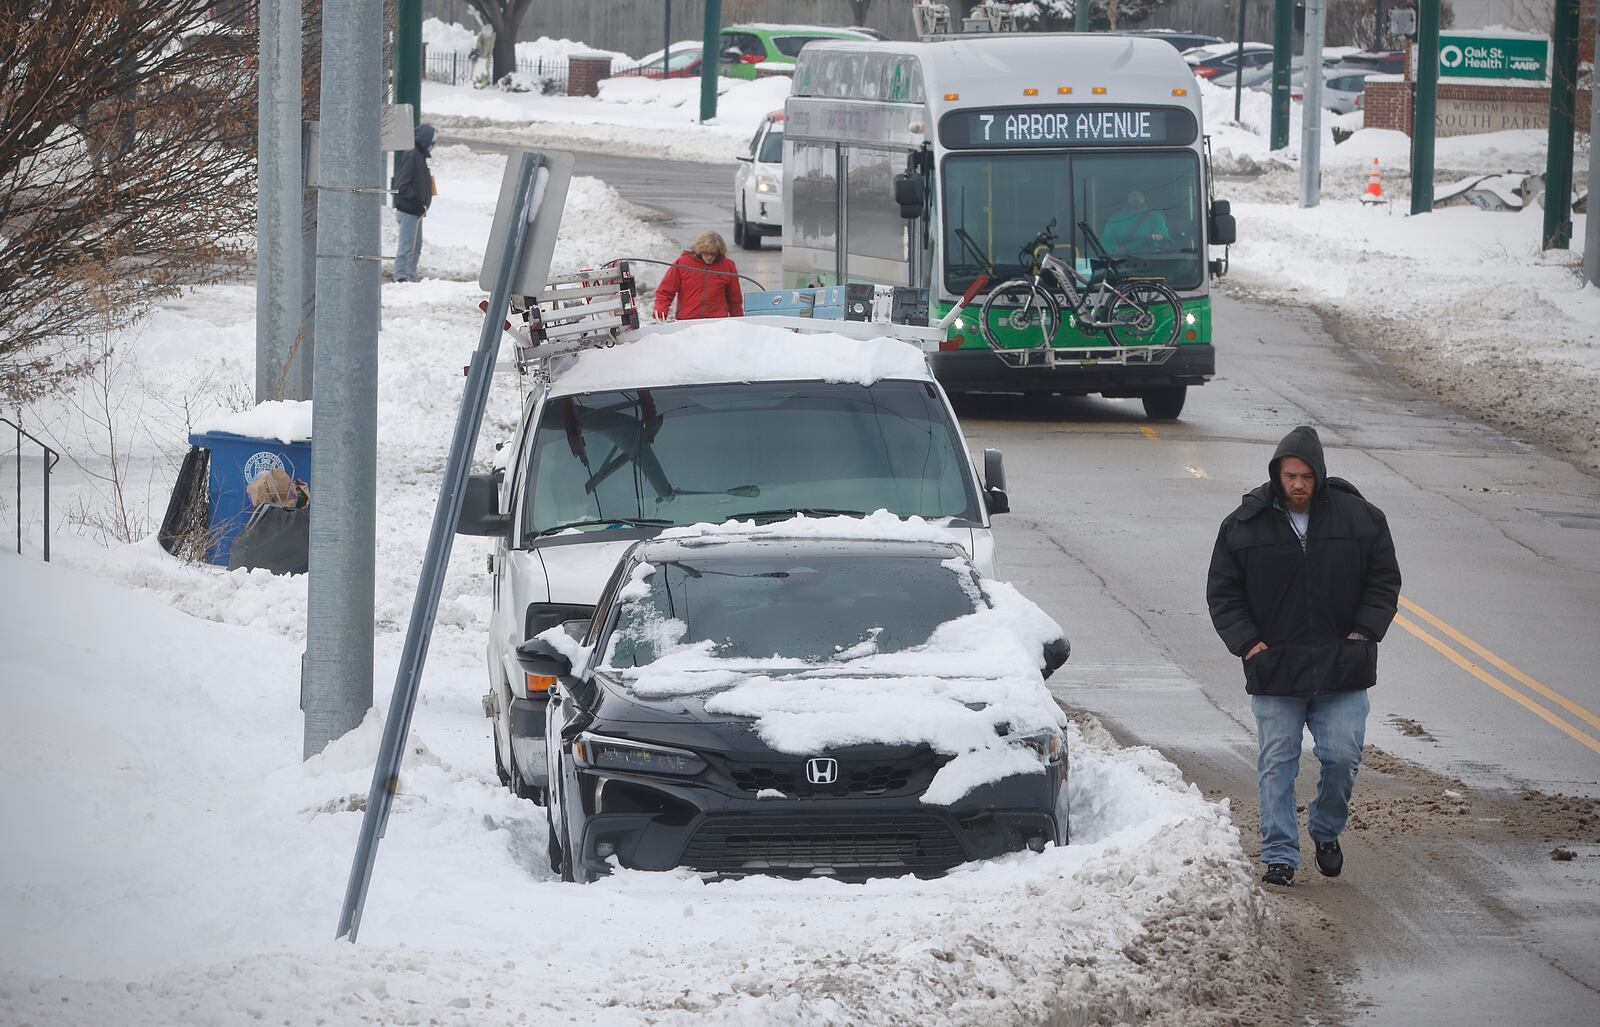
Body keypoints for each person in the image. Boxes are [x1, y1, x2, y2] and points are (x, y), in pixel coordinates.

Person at [1206, 425, 1401, 888]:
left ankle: (1326, 828)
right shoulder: (1243, 525)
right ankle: (1279, 855)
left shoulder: (1361, 519)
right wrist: (1250, 646)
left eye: (1306, 476)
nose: (1298, 484)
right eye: (1290, 475)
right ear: (1277, 475)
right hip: (1276, 669)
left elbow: (1383, 581)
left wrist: (1362, 634)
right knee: (1277, 762)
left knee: (1342, 757)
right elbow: (1223, 593)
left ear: (1320, 476)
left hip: (1342, 667)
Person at [653, 231, 744, 321]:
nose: (709, 257)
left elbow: (734, 299)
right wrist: (660, 314)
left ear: (719, 252)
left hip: (717, 323)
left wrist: (739, 321)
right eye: (705, 253)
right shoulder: (682, 263)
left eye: (713, 254)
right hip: (687, 322)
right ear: (699, 250)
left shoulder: (727, 266)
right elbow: (665, 292)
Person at [392, 123, 436, 283]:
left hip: (416, 211)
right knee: (407, 247)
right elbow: (402, 184)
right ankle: (401, 276)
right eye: (433, 141)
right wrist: (417, 202)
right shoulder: (412, 156)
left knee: (415, 248)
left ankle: (410, 275)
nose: (434, 146)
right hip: (409, 210)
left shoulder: (420, 157)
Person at [1099, 189, 1169, 253]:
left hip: (1150, 257)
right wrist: (1115, 249)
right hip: (1122, 260)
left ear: (1144, 198)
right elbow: (1106, 243)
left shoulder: (1155, 216)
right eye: (1132, 196)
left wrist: (1158, 235)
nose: (1135, 198)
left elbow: (1163, 234)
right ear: (1127, 199)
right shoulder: (1115, 218)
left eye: (1138, 196)